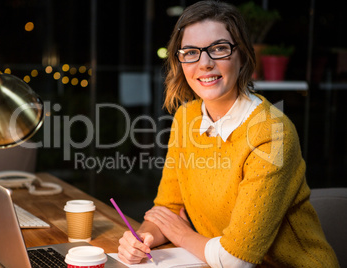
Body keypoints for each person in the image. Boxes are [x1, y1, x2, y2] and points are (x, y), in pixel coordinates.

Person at [117, 1, 339, 267]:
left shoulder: (271, 132)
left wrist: (183, 235)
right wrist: (142, 239)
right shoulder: (185, 117)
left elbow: (236, 259)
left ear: (243, 55)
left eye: (219, 49)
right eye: (190, 52)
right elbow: (166, 208)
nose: (205, 63)